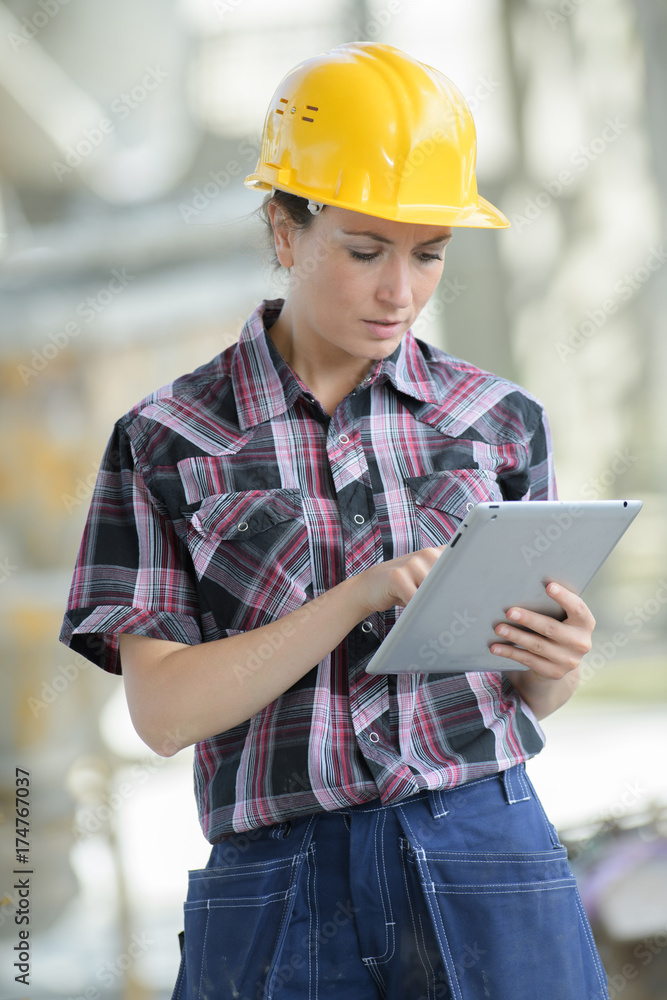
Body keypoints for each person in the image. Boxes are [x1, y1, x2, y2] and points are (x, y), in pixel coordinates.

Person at [60, 42, 610, 1000]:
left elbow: (527, 700)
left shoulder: (499, 422)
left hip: (486, 848)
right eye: (364, 251)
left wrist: (552, 663)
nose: (399, 291)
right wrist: (355, 596)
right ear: (284, 227)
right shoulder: (166, 441)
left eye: (428, 254)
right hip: (280, 880)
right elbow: (163, 714)